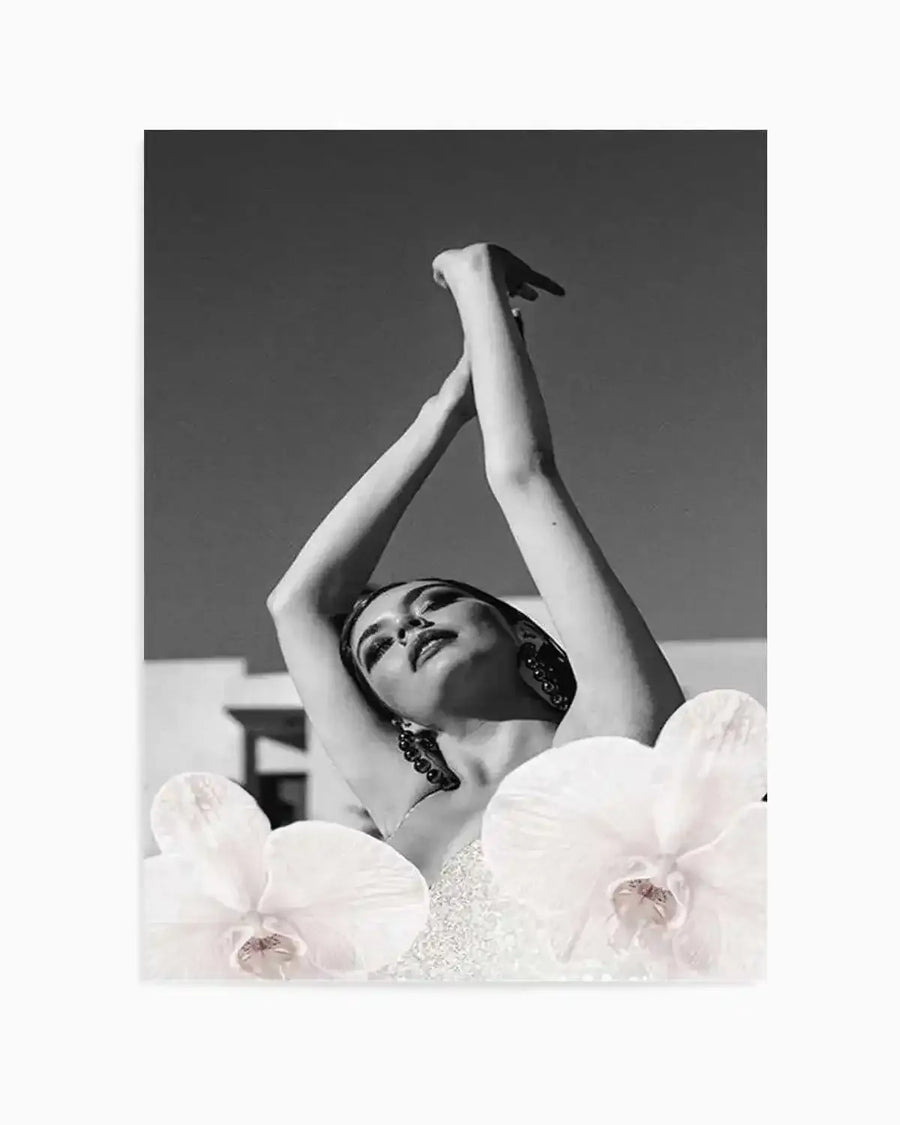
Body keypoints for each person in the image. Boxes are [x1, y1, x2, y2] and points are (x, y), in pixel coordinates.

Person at [268, 243, 685, 892]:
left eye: (434, 603)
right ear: (389, 709)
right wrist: (441, 412)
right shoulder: (406, 807)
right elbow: (295, 605)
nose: (407, 630)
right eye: (377, 647)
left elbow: (523, 475)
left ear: (518, 628)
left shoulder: (611, 729)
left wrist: (475, 279)